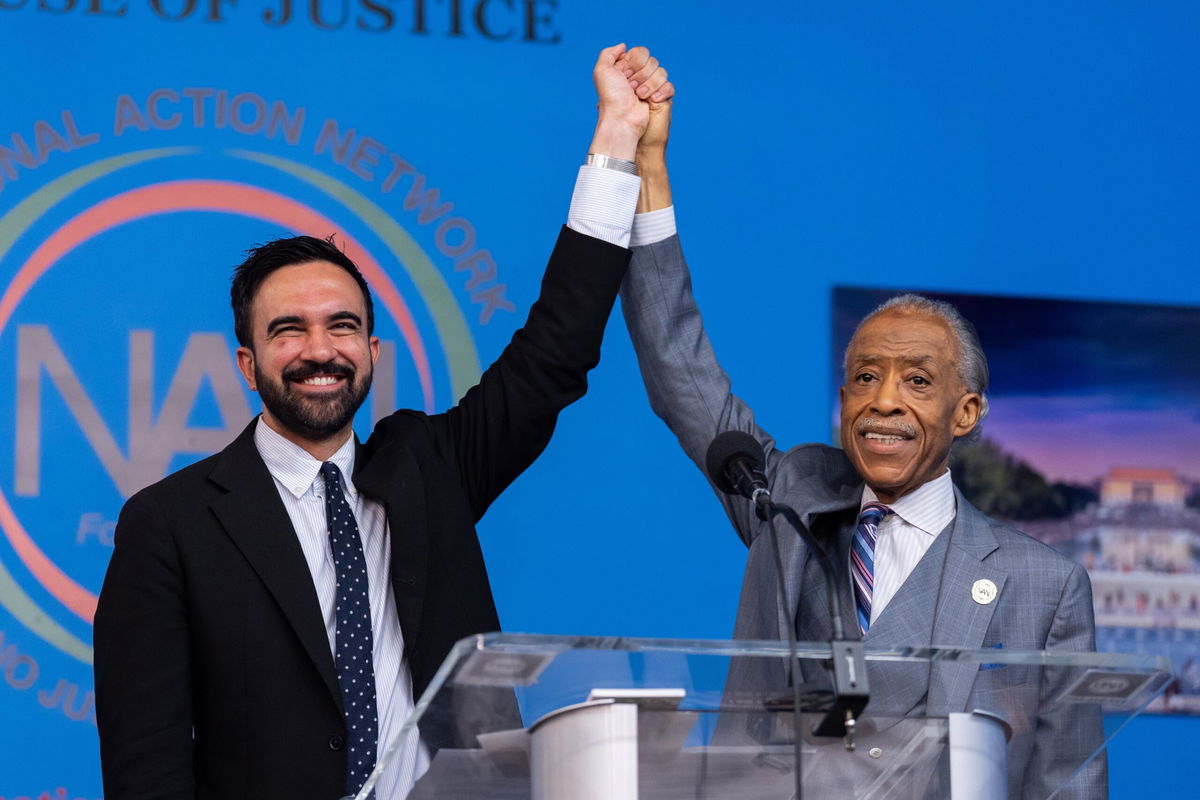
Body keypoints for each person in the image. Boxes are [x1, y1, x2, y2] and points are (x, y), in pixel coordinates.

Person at [93, 45, 673, 800]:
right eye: (287, 330)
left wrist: (617, 139)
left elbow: (554, 354)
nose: (318, 350)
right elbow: (148, 765)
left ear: (370, 350)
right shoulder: (169, 525)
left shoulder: (430, 468)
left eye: (341, 326)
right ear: (246, 361)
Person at [613, 49, 1103, 798]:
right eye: (864, 378)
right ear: (841, 402)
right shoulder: (792, 505)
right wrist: (646, 166)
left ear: (966, 412)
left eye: (916, 381)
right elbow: (680, 368)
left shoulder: (1044, 584)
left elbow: (1068, 781)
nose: (882, 401)